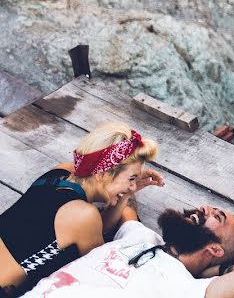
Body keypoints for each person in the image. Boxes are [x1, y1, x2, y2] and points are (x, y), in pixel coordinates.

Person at [0, 123, 162, 296]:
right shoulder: (83, 215)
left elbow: (97, 229)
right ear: (102, 174)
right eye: (131, 178)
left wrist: (127, 194)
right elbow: (102, 271)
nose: (132, 186)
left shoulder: (62, 172)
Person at [22, 198, 234, 298]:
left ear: (215, 250)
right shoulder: (141, 235)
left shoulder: (191, 289)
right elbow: (127, 205)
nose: (204, 209)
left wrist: (213, 271)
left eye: (218, 217)